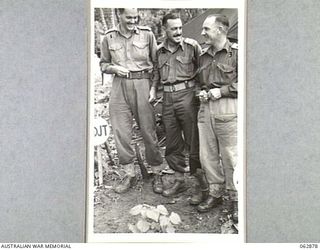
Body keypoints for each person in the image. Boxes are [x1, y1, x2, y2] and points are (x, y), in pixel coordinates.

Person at [100, 8, 163, 194]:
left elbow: (157, 64)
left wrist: (153, 88)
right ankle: (129, 173)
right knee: (121, 132)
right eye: (129, 17)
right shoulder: (108, 37)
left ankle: (157, 171)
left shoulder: (147, 35)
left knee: (148, 131)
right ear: (120, 15)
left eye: (136, 17)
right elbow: (103, 64)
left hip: (142, 83)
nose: (133, 20)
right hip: (119, 85)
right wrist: (113, 68)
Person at [155, 12, 209, 202]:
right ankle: (179, 180)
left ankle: (202, 186)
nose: (178, 32)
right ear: (165, 30)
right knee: (172, 141)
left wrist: (202, 92)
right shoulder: (159, 51)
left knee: (193, 141)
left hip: (188, 96)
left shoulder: (192, 46)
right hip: (167, 98)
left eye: (180, 28)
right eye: (174, 28)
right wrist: (154, 92)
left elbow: (203, 70)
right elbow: (156, 74)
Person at [196, 14, 238, 222]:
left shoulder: (236, 53)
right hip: (205, 109)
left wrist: (221, 91)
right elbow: (198, 82)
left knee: (230, 156)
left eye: (206, 29)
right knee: (208, 155)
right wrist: (201, 92)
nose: (202, 33)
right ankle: (216, 193)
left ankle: (235, 197)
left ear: (220, 30)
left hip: (227, 107)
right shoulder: (203, 56)